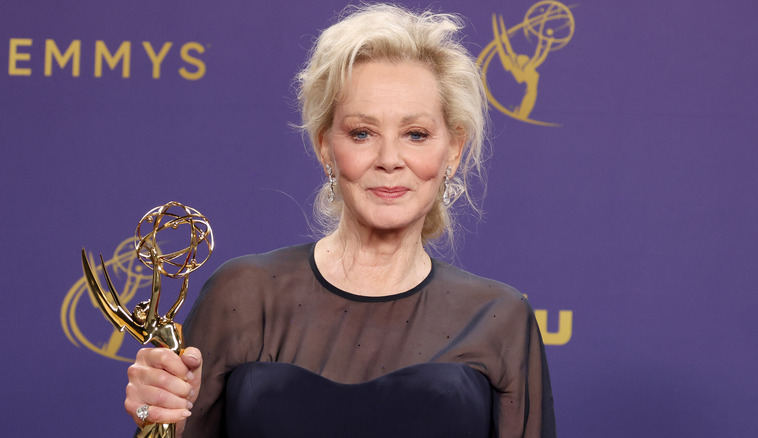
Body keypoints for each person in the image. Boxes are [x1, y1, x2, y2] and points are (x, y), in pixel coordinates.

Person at [124, 4, 556, 437]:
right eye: (362, 133)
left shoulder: (500, 318)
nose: (390, 160)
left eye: (416, 134)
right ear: (326, 148)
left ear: (454, 151)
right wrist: (153, 418)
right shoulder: (243, 297)